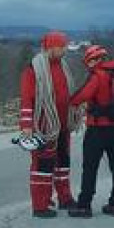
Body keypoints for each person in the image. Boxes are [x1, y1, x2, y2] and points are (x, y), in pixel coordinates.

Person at [19, 31, 83, 218]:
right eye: (61, 46)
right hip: (43, 127)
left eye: (65, 46)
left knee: (63, 163)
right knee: (43, 165)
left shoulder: (62, 67)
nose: (64, 50)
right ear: (51, 47)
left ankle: (65, 198)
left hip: (62, 126)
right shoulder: (33, 70)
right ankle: (40, 205)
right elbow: (27, 99)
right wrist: (27, 124)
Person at [67, 45, 114, 218]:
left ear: (95, 59)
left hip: (98, 129)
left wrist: (69, 100)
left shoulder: (98, 75)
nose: (88, 65)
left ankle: (84, 205)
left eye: (89, 61)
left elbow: (81, 96)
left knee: (90, 167)